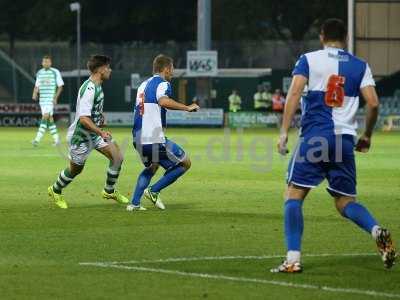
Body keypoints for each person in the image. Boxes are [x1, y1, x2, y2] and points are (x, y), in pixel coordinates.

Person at [272, 18, 396, 273]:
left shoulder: (309, 59)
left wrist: (284, 132)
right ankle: (376, 230)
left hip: (316, 137)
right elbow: (373, 103)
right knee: (344, 201)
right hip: (344, 140)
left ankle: (293, 260)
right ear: (346, 38)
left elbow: (294, 94)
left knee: (293, 196)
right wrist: (368, 135)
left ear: (321, 36)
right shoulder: (360, 66)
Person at [47, 55, 129, 209]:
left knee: (117, 156)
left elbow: (91, 111)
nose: (110, 70)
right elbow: (84, 119)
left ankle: (109, 191)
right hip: (81, 136)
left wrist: (100, 117)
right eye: (108, 67)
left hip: (94, 133)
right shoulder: (89, 88)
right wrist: (101, 132)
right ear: (100, 69)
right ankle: (55, 189)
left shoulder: (98, 85)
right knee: (75, 169)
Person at [127, 54, 199, 211]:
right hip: (153, 139)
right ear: (166, 69)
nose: (172, 73)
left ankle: (134, 203)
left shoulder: (143, 85)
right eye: (172, 69)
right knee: (185, 163)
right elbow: (163, 101)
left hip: (138, 138)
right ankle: (153, 191)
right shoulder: (163, 84)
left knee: (152, 167)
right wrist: (187, 107)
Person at [32, 55, 64, 146]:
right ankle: (57, 140)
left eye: (47, 62)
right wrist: (34, 93)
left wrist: (55, 98)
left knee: (45, 117)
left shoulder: (55, 72)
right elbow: (37, 86)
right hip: (42, 100)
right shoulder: (39, 73)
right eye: (44, 62)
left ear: (51, 63)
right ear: (42, 63)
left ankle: (37, 140)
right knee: (50, 119)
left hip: (50, 100)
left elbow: (60, 86)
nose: (46, 63)